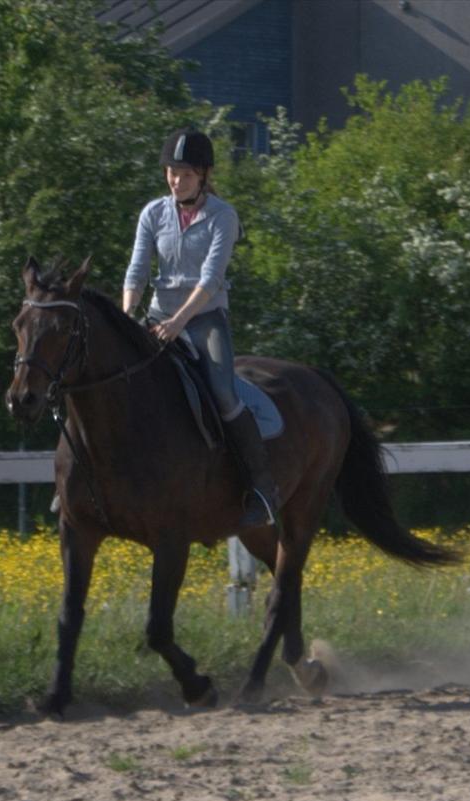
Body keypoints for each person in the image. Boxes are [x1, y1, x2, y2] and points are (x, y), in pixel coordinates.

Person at [122, 128, 279, 527]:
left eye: (186, 174)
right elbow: (137, 271)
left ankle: (262, 488)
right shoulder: (152, 214)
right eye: (172, 172)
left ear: (203, 175)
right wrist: (127, 319)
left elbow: (210, 281)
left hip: (204, 318)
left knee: (224, 393)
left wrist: (178, 323)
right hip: (159, 316)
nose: (177, 180)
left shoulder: (223, 216)